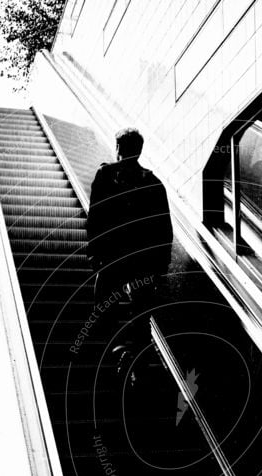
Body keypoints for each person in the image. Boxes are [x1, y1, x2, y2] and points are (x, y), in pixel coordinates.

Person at [86, 128, 173, 378]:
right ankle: (136, 359)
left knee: (104, 306)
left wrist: (95, 252)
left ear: (118, 148)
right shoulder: (154, 183)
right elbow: (163, 228)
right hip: (143, 262)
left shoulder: (106, 175)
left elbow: (96, 216)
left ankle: (106, 355)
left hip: (112, 257)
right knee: (141, 312)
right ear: (139, 150)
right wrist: (161, 267)